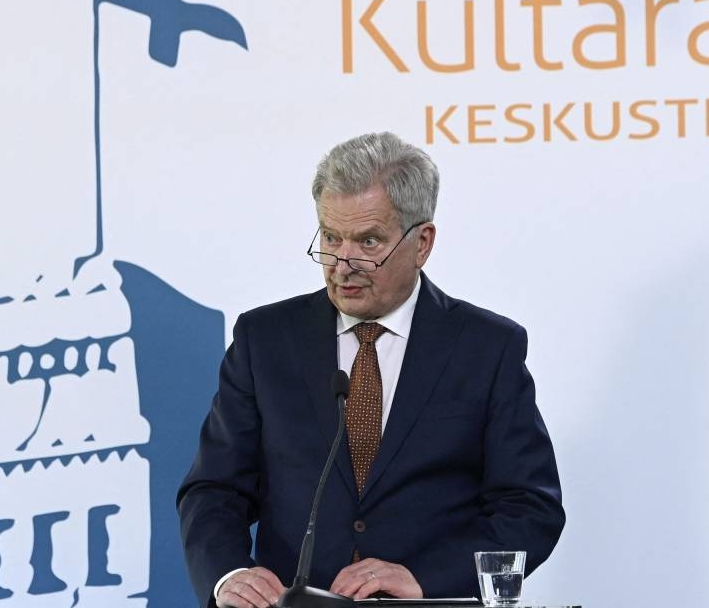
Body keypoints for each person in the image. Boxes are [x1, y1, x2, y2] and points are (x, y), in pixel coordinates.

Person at [177, 132, 565, 608]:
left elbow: (530, 508)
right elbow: (215, 489)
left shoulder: (487, 347)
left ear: (422, 243)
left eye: (368, 241)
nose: (342, 264)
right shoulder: (265, 339)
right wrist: (228, 574)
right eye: (331, 237)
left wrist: (424, 577)